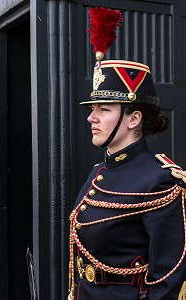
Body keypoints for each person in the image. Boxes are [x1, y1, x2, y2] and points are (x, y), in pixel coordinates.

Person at [68, 8, 186, 300]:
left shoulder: (160, 180)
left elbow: (169, 281)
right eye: (92, 109)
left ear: (133, 119)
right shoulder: (99, 172)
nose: (91, 118)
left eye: (103, 109)